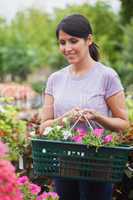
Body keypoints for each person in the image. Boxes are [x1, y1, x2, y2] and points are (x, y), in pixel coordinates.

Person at [40, 14, 129, 200]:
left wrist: (97, 117)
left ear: (89, 40)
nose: (67, 48)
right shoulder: (54, 79)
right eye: (62, 42)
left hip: (98, 165)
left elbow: (123, 124)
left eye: (73, 41)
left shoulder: (107, 76)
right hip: (65, 164)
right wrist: (67, 118)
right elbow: (44, 127)